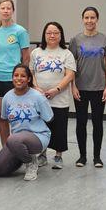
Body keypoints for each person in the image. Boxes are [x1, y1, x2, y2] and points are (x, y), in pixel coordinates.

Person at [0, 64, 54, 181]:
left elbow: (49, 119)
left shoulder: (37, 97)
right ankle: (22, 155)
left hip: (38, 137)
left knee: (14, 139)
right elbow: (3, 121)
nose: (19, 78)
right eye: (16, 75)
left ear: (29, 79)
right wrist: (6, 146)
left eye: (23, 76)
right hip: (16, 141)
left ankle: (31, 163)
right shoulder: (7, 97)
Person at [69, 7, 106, 168]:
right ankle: (82, 157)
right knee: (81, 122)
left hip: (99, 87)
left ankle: (97, 157)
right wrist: (73, 86)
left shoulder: (105, 39)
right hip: (80, 87)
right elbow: (70, 65)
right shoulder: (75, 40)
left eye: (92, 17)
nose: (89, 21)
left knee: (97, 122)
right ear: (82, 19)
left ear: (97, 19)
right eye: (86, 17)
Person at [30, 22, 76, 169]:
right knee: (41, 127)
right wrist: (36, 88)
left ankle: (58, 156)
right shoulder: (36, 52)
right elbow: (31, 72)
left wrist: (56, 89)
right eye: (49, 32)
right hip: (39, 98)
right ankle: (42, 155)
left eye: (55, 32)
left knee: (59, 128)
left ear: (60, 35)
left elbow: (70, 75)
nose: (52, 35)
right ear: (44, 35)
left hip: (59, 98)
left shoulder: (66, 53)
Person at [0, 0, 30, 146]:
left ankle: (20, 147)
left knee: (17, 116)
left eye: (8, 8)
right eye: (3, 8)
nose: (6, 10)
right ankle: (7, 150)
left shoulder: (20, 31)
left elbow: (26, 57)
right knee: (2, 116)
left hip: (14, 80)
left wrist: (22, 78)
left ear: (13, 11)